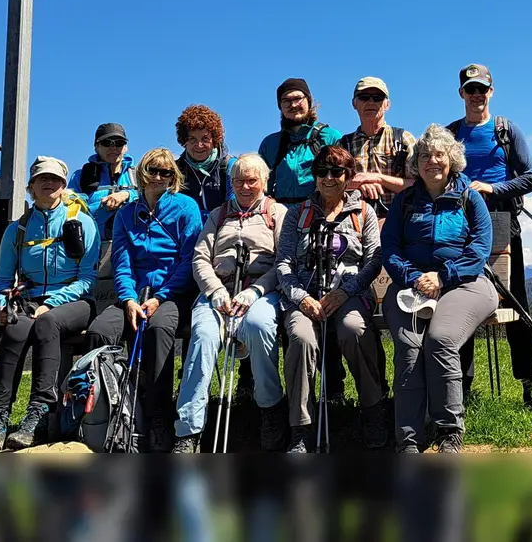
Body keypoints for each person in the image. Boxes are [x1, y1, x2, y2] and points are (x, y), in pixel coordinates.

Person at [382, 125, 498, 453]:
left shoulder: (469, 198)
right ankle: (408, 440)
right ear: (416, 163)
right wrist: (414, 276)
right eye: (425, 156)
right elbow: (389, 247)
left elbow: (479, 250)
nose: (432, 161)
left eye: (439, 155)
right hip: (411, 286)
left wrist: (442, 276)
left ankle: (449, 432)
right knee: (409, 348)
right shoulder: (404, 202)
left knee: (441, 339)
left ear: (452, 160)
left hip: (466, 284)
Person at [84, 148, 204, 452]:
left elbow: (188, 260)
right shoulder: (127, 213)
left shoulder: (185, 208)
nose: (158, 177)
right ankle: (109, 408)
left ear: (174, 177)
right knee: (100, 330)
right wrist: (127, 300)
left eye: (166, 172)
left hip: (172, 294)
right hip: (134, 295)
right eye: (152, 171)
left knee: (158, 330)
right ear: (142, 174)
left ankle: (160, 415)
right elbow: (122, 262)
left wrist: (161, 297)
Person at [0, 156, 101, 452]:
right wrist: (4, 305)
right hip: (29, 300)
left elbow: (87, 278)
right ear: (31, 186)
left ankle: (38, 414)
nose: (49, 184)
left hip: (76, 302)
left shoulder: (82, 223)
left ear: (63, 186)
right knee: (16, 329)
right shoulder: (18, 230)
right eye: (41, 179)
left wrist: (52, 303)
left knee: (47, 322)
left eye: (56, 179)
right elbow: (3, 279)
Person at [445, 63, 532, 413]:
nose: (476, 95)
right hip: (457, 226)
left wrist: (492, 187)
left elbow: (530, 178)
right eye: (470, 90)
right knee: (460, 300)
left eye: (482, 89)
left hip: (503, 223)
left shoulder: (506, 129)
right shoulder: (450, 133)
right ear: (461, 94)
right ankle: (462, 383)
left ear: (491, 92)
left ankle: (530, 383)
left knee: (516, 302)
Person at [171, 153, 290, 452]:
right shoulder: (218, 214)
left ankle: (270, 408)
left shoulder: (277, 212)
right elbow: (200, 258)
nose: (245, 187)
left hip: (261, 292)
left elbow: (285, 261)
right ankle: (188, 429)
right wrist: (214, 291)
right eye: (239, 181)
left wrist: (256, 292)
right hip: (219, 293)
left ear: (264, 181)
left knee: (260, 326)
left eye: (252, 180)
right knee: (203, 337)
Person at [274, 146, 387, 451]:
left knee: (353, 330)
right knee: (299, 338)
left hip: (349, 295)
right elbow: (284, 262)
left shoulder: (364, 213)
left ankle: (373, 409)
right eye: (322, 171)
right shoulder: (298, 214)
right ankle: (301, 427)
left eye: (337, 172)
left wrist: (345, 292)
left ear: (349, 177)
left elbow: (373, 261)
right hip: (305, 298)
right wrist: (300, 298)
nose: (328, 178)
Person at [69, 122, 137, 308]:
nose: (113, 147)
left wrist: (127, 195)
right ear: (96, 146)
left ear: (126, 147)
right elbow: (71, 212)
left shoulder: (138, 175)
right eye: (107, 143)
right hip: (94, 253)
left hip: (133, 252)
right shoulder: (81, 177)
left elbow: (151, 201)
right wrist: (102, 208)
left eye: (119, 142)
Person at [338, 77, 416, 218]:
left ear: (387, 104)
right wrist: (357, 184)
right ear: (354, 104)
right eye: (364, 97)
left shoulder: (403, 139)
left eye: (378, 97)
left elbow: (418, 186)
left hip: (398, 222)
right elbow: (329, 184)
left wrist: (377, 178)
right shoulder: (342, 145)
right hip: (354, 223)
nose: (371, 102)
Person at [260, 78, 343, 206]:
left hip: (319, 213)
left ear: (309, 101)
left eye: (298, 98)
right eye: (286, 101)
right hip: (280, 216)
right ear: (280, 107)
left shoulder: (330, 137)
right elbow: (262, 187)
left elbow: (342, 179)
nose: (293, 105)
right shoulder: (270, 144)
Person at [175, 105, 237, 222]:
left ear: (215, 139)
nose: (199, 145)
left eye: (205, 139)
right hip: (188, 232)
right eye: (192, 139)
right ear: (184, 141)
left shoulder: (231, 166)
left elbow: (233, 208)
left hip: (223, 229)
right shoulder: (175, 170)